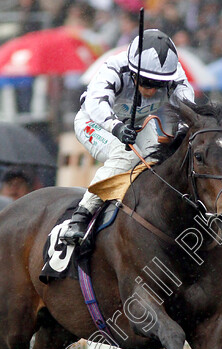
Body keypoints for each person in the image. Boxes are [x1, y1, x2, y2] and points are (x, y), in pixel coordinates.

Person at [60, 29, 195, 245]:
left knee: (158, 164)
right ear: (133, 71)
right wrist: (117, 128)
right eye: (145, 82)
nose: (151, 91)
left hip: (138, 123)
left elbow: (188, 108)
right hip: (96, 122)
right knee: (126, 158)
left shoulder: (175, 75)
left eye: (157, 84)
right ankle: (81, 216)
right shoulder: (114, 67)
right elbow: (96, 103)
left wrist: (183, 129)